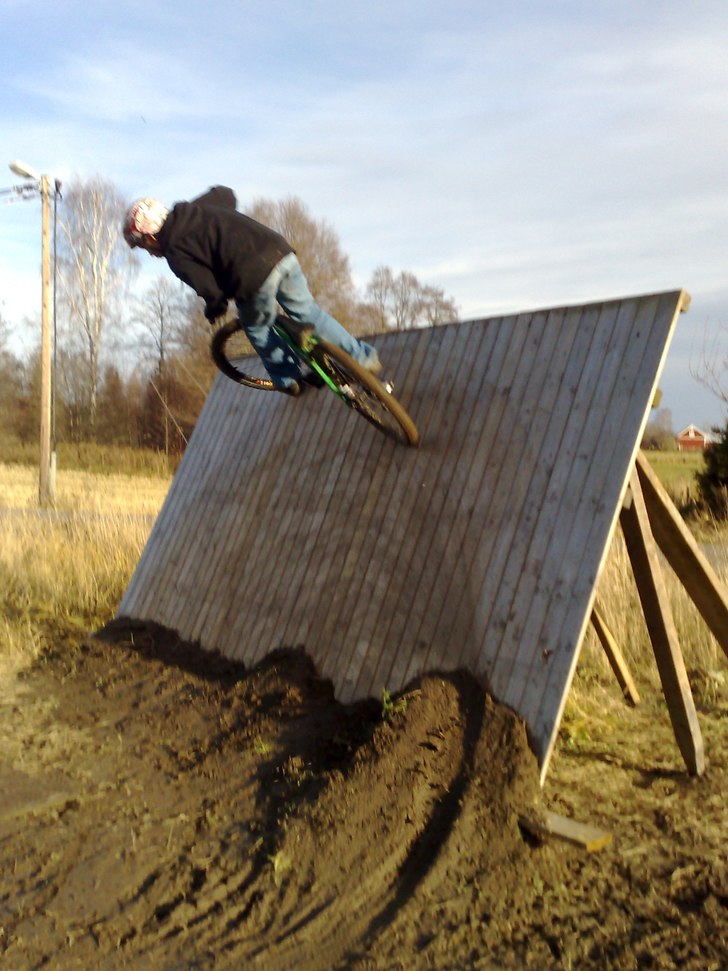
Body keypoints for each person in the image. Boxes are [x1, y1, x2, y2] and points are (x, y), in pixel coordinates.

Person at [122, 186, 381, 395]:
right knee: (309, 311)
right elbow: (226, 194)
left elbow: (209, 289)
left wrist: (215, 308)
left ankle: (290, 378)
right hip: (281, 252)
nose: (151, 253)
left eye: (145, 247)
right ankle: (361, 357)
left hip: (253, 277)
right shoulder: (198, 208)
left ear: (151, 237)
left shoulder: (176, 254)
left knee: (257, 327)